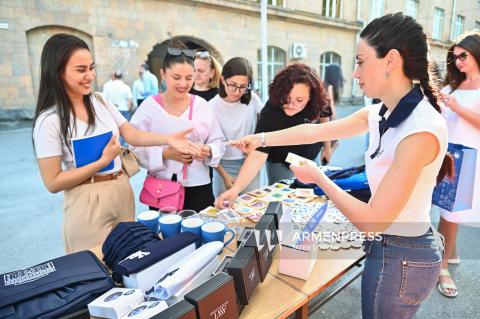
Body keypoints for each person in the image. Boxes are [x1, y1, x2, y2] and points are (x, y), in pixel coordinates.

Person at [222, 13, 454, 318]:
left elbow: (372, 221)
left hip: (402, 253)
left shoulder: (419, 129)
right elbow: (315, 130)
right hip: (391, 247)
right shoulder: (383, 112)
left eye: (360, 61)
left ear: (391, 60)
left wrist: (319, 177)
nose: (355, 73)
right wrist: (260, 138)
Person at [32, 34, 201, 254]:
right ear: (57, 72)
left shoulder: (100, 100)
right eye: (81, 70)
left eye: (91, 68)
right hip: (87, 199)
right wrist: (103, 161)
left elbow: (131, 134)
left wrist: (167, 139)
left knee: (129, 263)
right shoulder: (49, 120)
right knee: (94, 268)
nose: (90, 76)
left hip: (121, 190)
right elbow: (53, 182)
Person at [130, 41, 225, 213]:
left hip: (199, 186)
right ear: (163, 74)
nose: (183, 84)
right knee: (168, 236)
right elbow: (134, 147)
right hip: (162, 187)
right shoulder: (149, 107)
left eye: (189, 78)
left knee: (199, 235)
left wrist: (208, 150)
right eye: (176, 77)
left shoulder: (202, 106)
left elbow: (219, 141)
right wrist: (166, 154)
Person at [215, 63, 331, 203]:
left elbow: (325, 120)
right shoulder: (271, 110)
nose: (291, 104)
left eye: (299, 100)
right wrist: (235, 190)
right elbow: (258, 154)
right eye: (286, 99)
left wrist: (327, 147)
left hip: (311, 155)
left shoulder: (318, 101)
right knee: (284, 199)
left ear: (311, 96)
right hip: (281, 160)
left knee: (314, 196)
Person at [436, 31, 480, 298]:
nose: (459, 61)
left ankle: (443, 263)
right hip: (445, 153)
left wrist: (455, 107)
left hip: (468, 156)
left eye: (463, 55)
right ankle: (448, 256)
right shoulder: (453, 83)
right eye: (455, 57)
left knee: (451, 214)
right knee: (448, 212)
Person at [210, 57, 263, 196]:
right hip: (222, 166)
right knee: (223, 210)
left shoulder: (253, 99)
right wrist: (224, 176)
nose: (237, 91)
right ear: (222, 80)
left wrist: (254, 145)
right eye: (232, 84)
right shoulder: (211, 106)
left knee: (250, 207)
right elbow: (209, 146)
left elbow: (264, 127)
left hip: (249, 162)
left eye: (243, 86)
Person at [321, 64, 345, 164]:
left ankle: (324, 160)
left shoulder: (324, 85)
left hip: (324, 116)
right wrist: (336, 120)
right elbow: (331, 105)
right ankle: (325, 161)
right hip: (327, 117)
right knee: (334, 142)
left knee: (331, 142)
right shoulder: (330, 86)